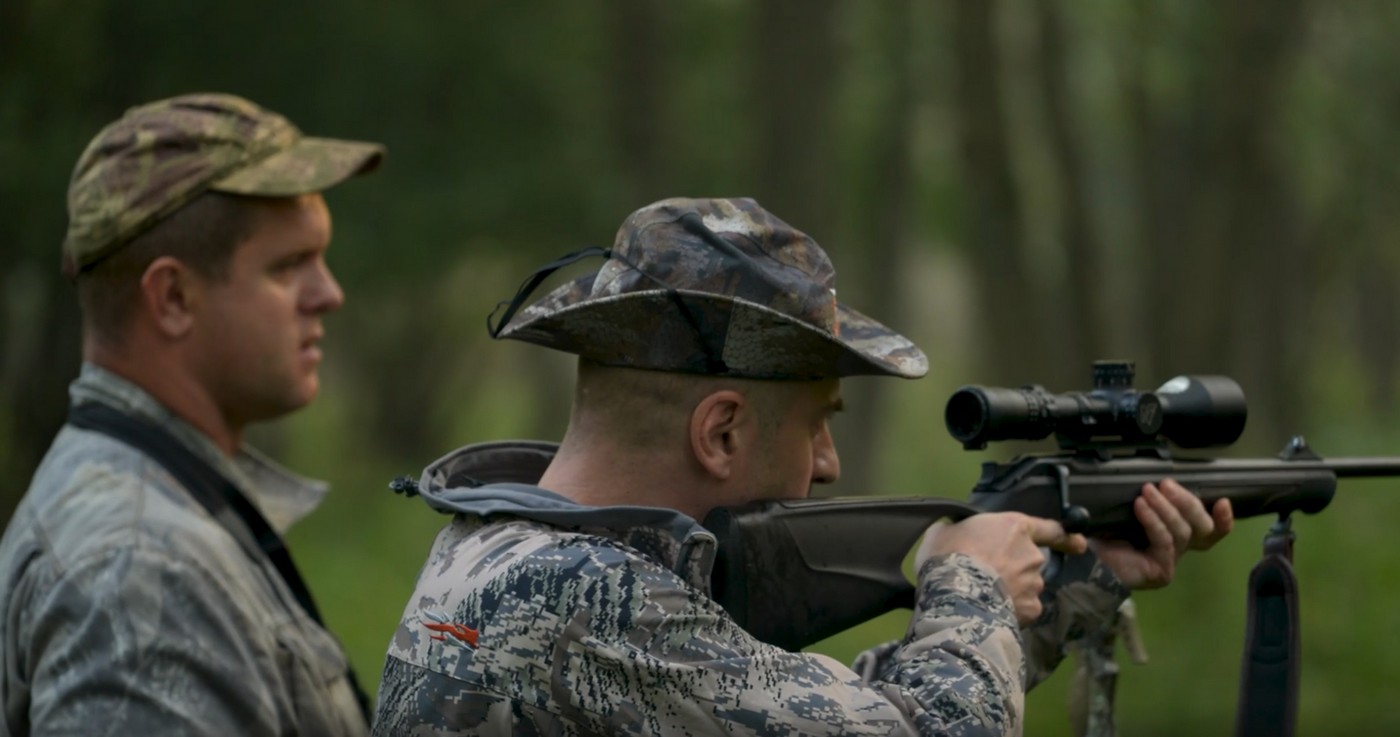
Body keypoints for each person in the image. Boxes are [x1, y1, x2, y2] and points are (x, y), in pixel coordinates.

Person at [372, 197, 1233, 736]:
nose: (829, 463)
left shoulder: (495, 552)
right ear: (721, 432)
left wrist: (1069, 589)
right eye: (819, 423)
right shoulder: (589, 599)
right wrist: (966, 578)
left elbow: (810, 714)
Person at [0, 93, 384, 736]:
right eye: (289, 265)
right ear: (173, 297)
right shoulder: (139, 570)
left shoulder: (161, 506)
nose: (329, 294)